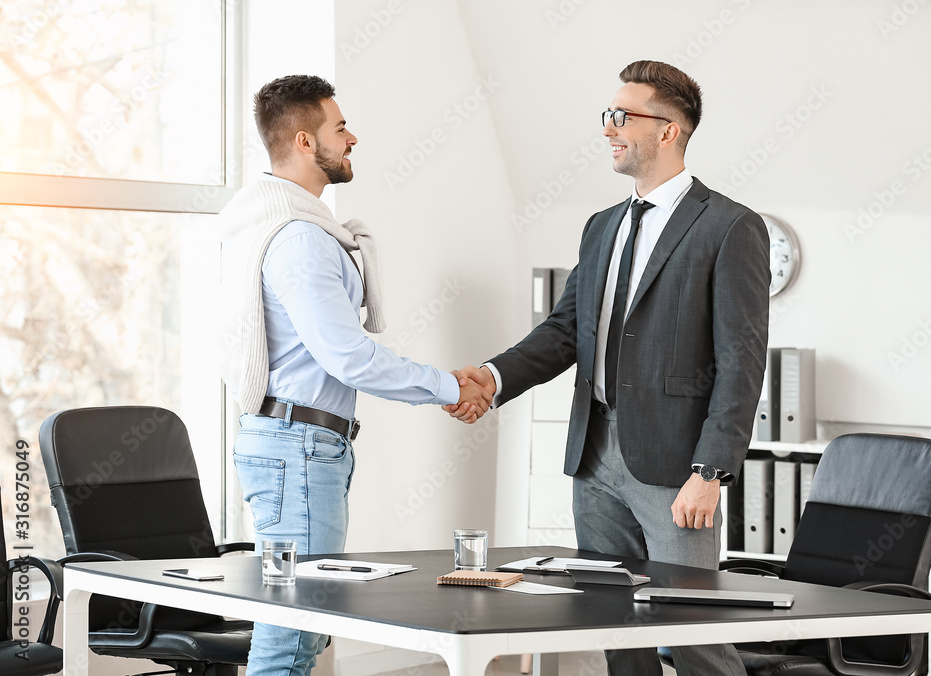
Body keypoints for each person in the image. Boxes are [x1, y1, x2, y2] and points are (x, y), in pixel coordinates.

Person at [447, 60, 769, 676]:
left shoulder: (730, 227)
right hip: (594, 457)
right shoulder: (601, 228)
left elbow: (741, 360)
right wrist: (493, 377)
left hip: (675, 465)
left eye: (623, 116)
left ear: (668, 130)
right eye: (608, 115)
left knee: (693, 630)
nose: (608, 129)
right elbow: (565, 330)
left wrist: (711, 470)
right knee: (616, 628)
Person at [217, 74, 491, 676]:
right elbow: (349, 357)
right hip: (298, 447)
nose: (353, 138)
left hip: (298, 443)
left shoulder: (275, 223)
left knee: (303, 624)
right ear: (305, 141)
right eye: (340, 127)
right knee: (294, 627)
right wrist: (450, 386)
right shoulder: (300, 240)